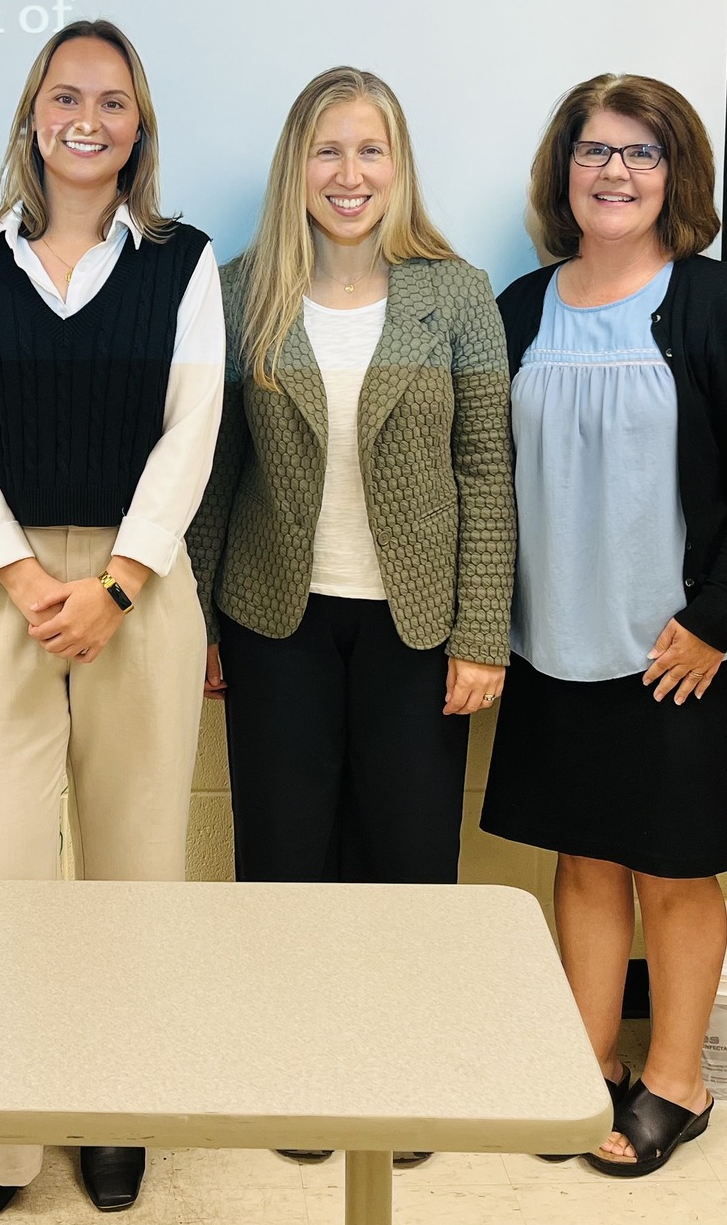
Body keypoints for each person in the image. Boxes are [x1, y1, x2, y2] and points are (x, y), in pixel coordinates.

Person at [0, 19, 224, 1222]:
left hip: (135, 588)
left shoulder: (181, 261)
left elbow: (189, 431)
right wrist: (19, 576)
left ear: (137, 123)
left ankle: (115, 1114)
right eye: (63, 95)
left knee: (132, 865)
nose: (85, 116)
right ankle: (1, 1136)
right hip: (1, 588)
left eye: (110, 98)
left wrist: (116, 583)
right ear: (32, 115)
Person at [187, 67, 514, 1158]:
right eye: (327, 151)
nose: (348, 174)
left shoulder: (451, 291)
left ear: (397, 166)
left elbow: (484, 465)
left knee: (409, 854)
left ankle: (403, 1074)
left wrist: (480, 631)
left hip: (413, 623)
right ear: (297, 166)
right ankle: (297, 1072)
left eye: (369, 151)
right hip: (273, 612)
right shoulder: (242, 291)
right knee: (282, 853)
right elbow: (214, 468)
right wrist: (194, 620)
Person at [481, 73, 727, 1180]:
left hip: (681, 649)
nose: (612, 172)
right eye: (592, 150)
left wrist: (715, 618)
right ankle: (580, 1066)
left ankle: (675, 1077)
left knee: (671, 869)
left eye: (640, 152)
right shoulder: (518, 307)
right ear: (560, 169)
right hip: (554, 640)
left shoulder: (714, 302)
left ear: (677, 176)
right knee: (583, 861)